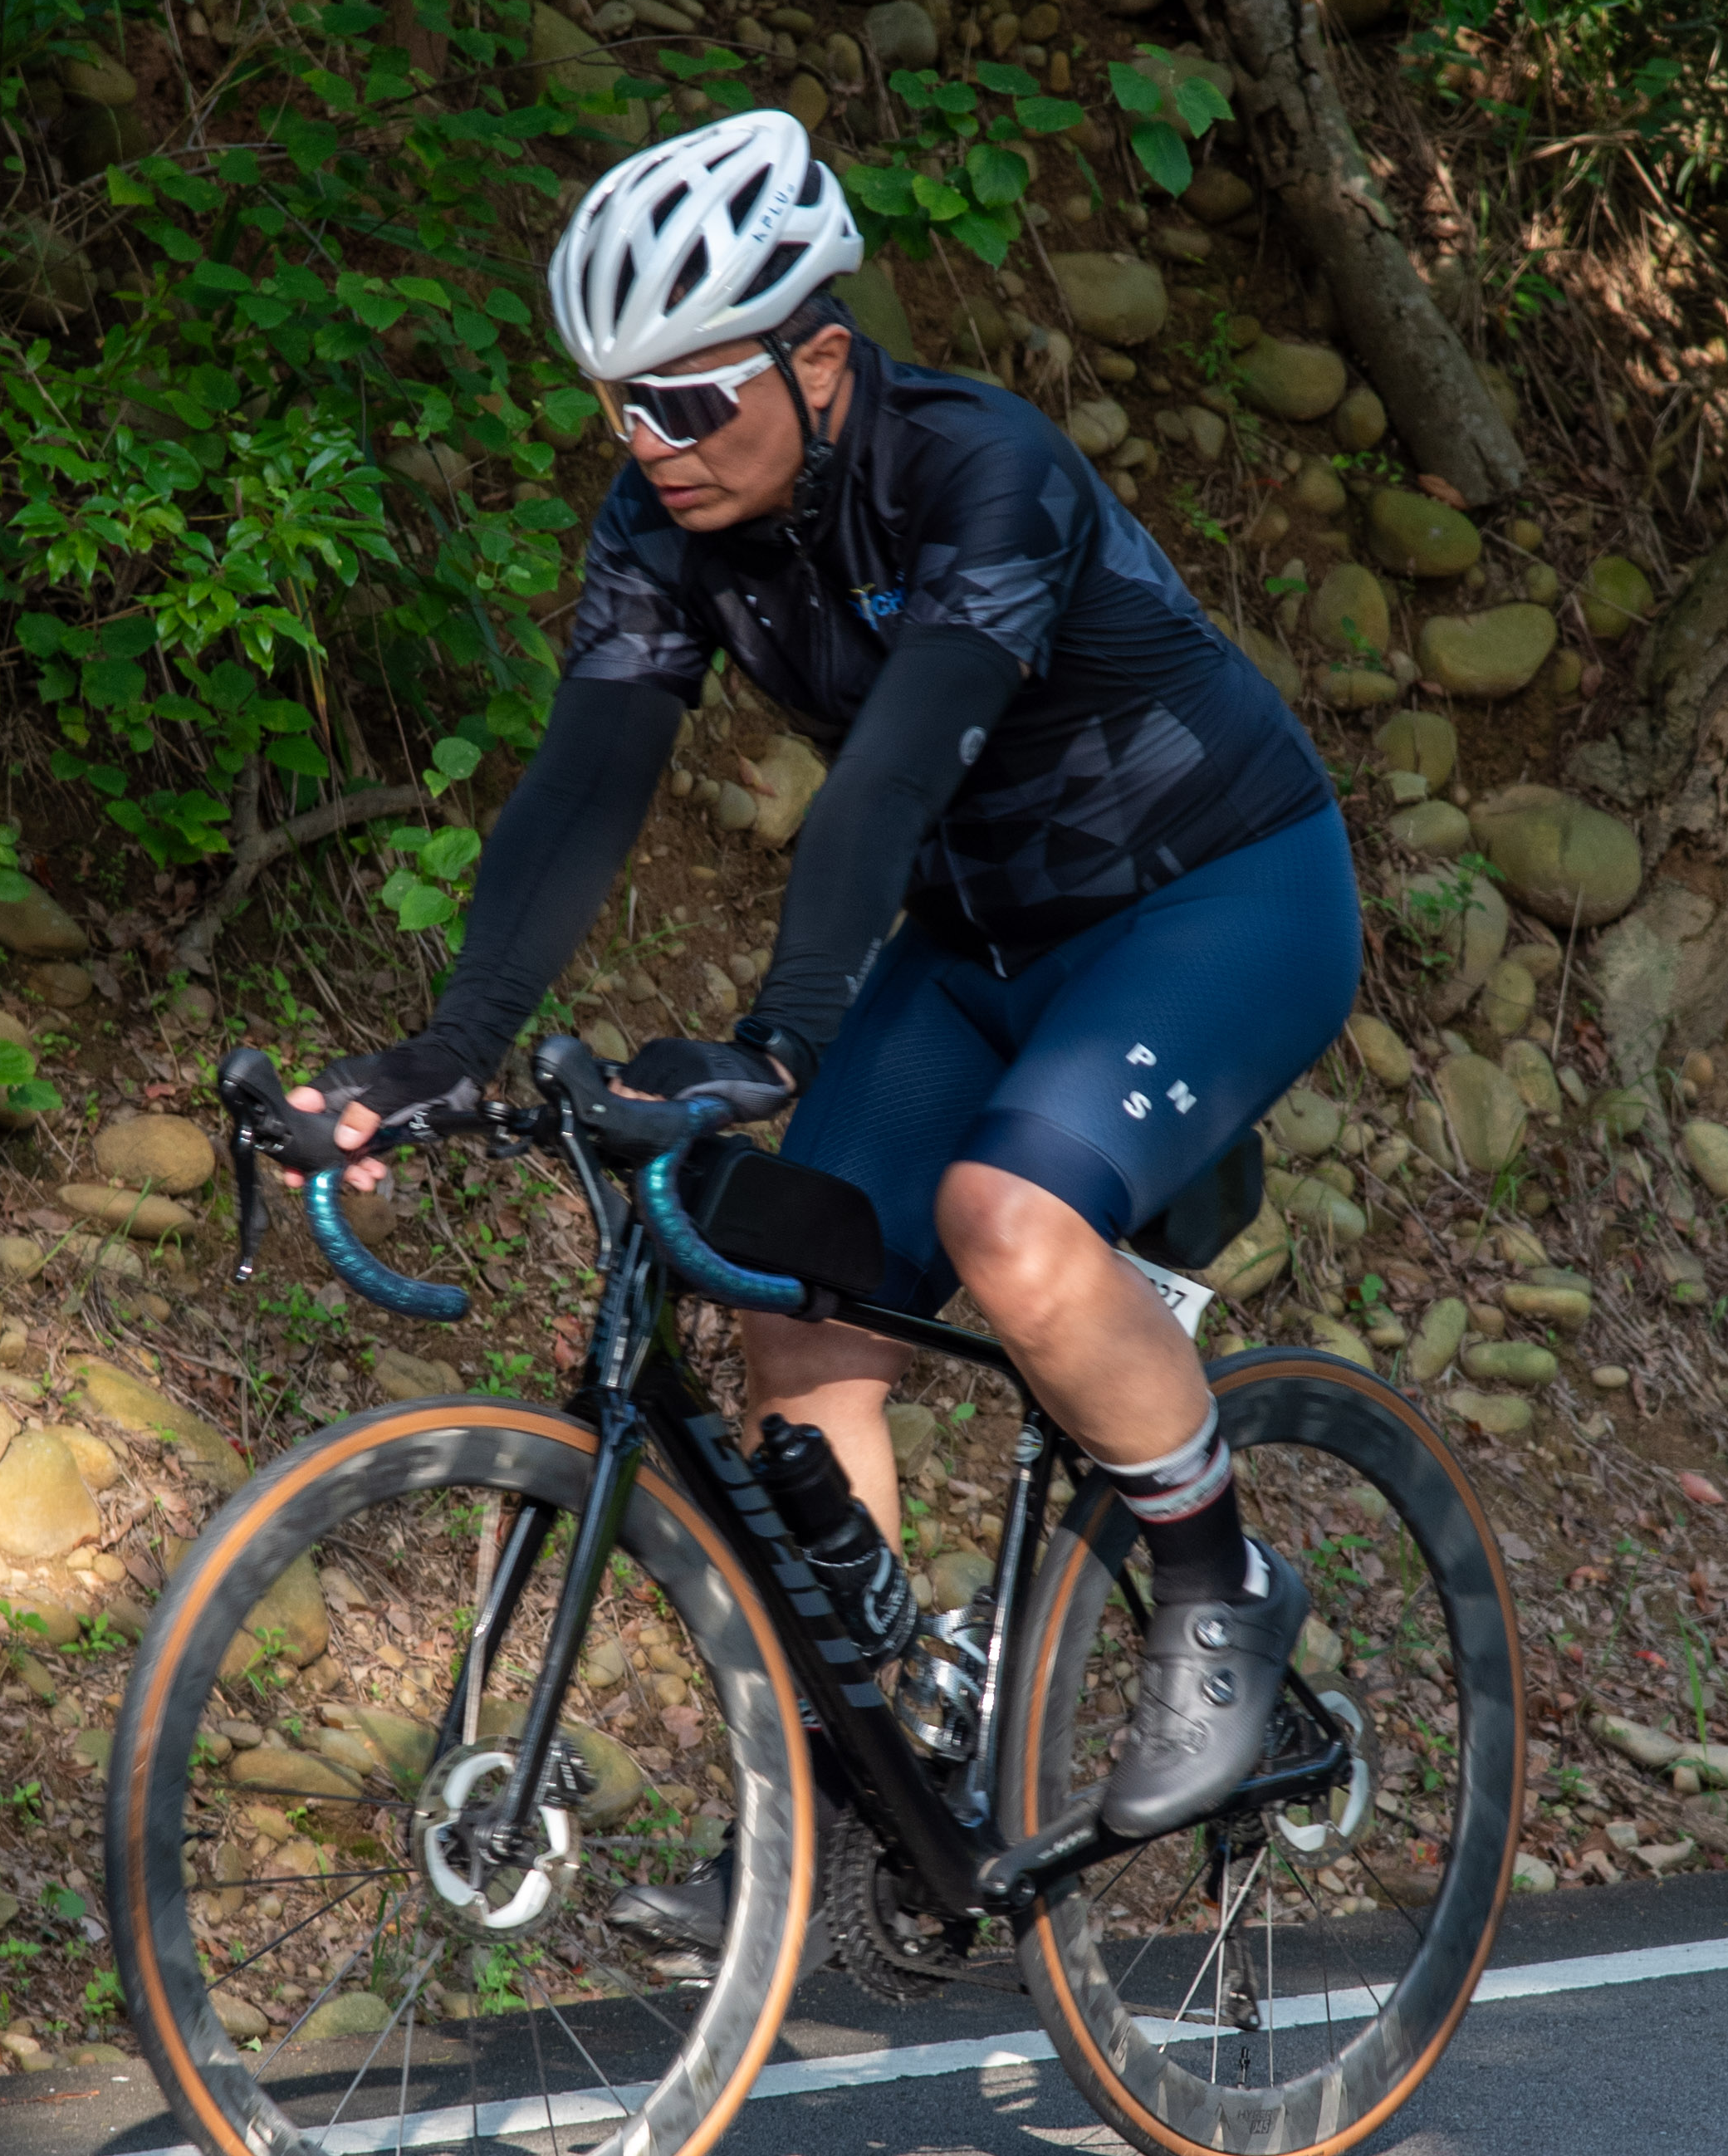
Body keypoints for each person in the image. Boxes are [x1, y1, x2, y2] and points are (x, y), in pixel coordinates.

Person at [291, 103, 1364, 1875]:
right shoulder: (665, 522)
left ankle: (1219, 1586)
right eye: (618, 406)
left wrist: (784, 1034)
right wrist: (444, 1049)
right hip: (979, 942)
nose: (649, 444)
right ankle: (884, 1789)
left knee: (1007, 1223)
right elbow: (586, 784)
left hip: (1216, 896)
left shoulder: (981, 469)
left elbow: (892, 774)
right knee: (793, 1310)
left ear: (819, 360)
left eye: (687, 400)